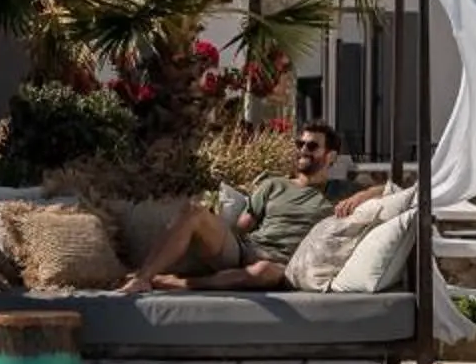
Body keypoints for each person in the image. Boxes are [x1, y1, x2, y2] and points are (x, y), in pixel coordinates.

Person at [122, 121, 384, 291]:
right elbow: (242, 227)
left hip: (285, 265)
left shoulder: (341, 191)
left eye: (312, 146)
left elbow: (391, 190)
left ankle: (179, 284)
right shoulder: (274, 184)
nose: (303, 149)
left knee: (263, 271)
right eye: (300, 143)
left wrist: (365, 194)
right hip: (247, 250)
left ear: (331, 156)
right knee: (194, 212)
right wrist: (214, 230)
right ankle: (142, 278)